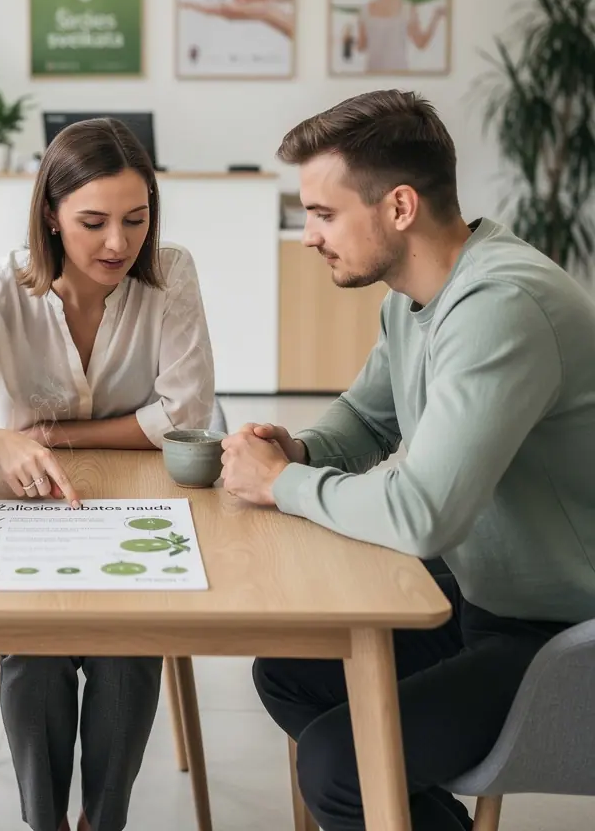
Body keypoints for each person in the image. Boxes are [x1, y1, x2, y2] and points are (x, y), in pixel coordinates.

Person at [219, 90, 595, 831]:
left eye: (323, 214)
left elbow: (423, 515)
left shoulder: (500, 307)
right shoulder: (413, 297)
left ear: (398, 207)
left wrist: (283, 482)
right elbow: (367, 416)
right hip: (489, 598)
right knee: (289, 671)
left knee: (339, 766)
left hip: (562, 634)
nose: (308, 236)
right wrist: (298, 450)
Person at [0, 117, 215, 831]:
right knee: (36, 653)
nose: (118, 244)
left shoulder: (171, 273)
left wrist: (48, 435)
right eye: (93, 222)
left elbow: (186, 413)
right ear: (50, 215)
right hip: (31, 510)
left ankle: (103, 823)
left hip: (139, 506)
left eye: (136, 219)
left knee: (127, 653)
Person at [356, 0, 446, 73]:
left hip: (373, 73)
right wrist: (436, 17)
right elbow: (421, 43)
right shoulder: (407, 8)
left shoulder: (365, 10)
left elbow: (361, 46)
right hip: (399, 74)